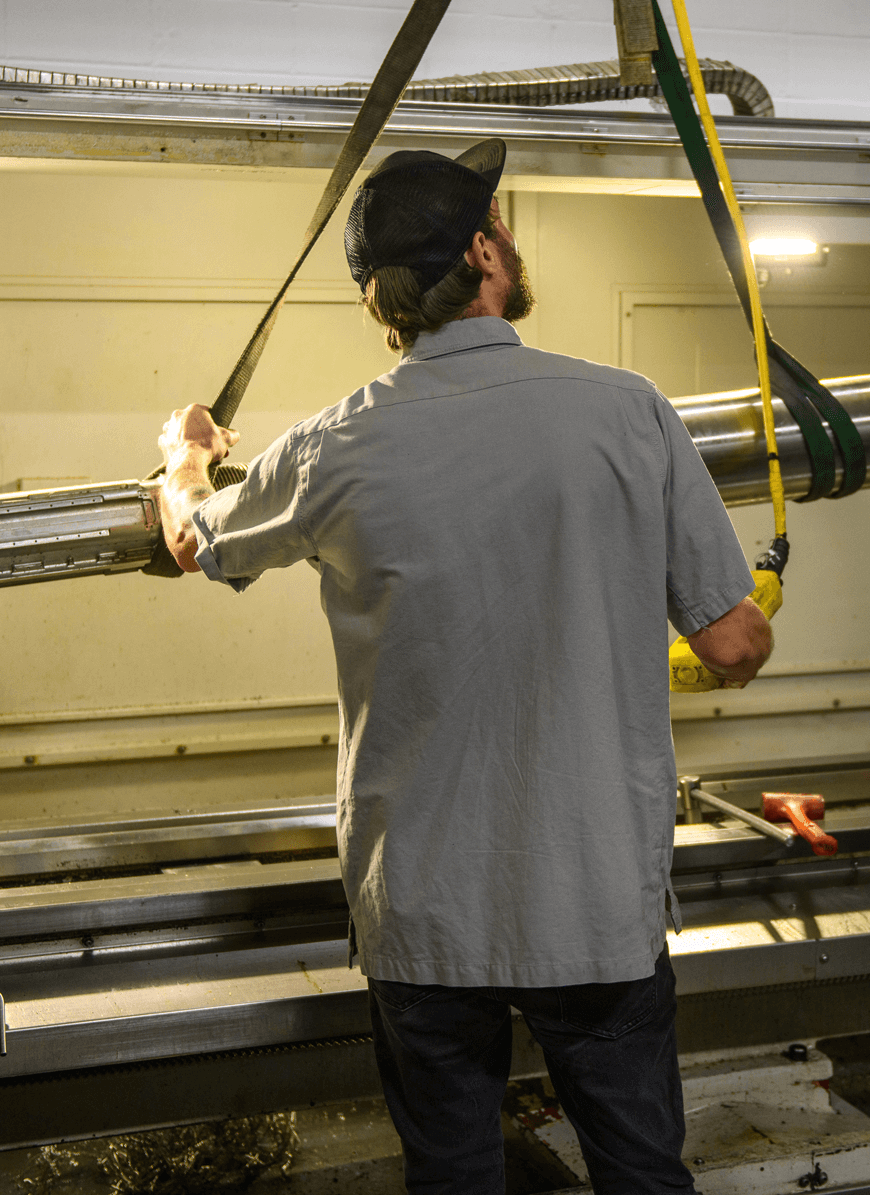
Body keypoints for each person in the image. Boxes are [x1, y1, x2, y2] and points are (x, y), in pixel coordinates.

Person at [153, 138, 773, 1195]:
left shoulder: (330, 447)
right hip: (592, 901)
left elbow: (192, 543)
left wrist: (184, 456)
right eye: (502, 223)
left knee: (452, 1178)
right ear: (485, 251)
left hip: (423, 908)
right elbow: (730, 645)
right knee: (639, 1176)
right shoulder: (628, 410)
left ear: (381, 301)